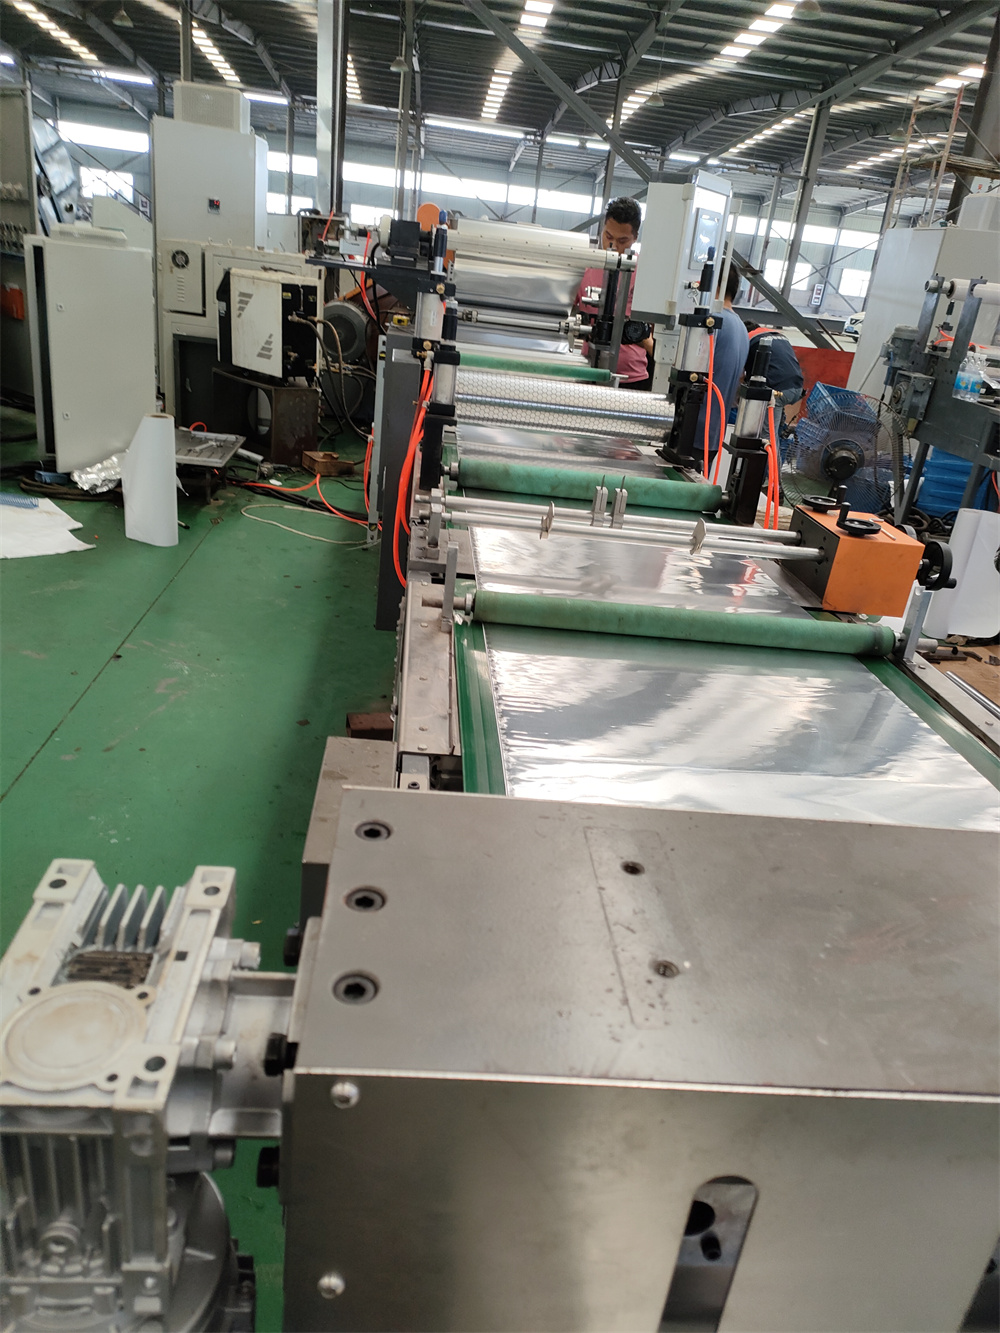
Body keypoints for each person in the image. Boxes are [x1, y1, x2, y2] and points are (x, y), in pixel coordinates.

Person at [574, 197, 653, 389]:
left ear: (635, 237)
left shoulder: (646, 274)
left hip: (631, 378)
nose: (614, 246)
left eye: (622, 240)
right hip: (588, 372)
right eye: (608, 236)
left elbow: (653, 335)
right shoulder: (585, 267)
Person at [698, 264, 750, 460]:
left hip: (695, 427)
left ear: (714, 286)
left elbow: (690, 370)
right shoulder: (741, 327)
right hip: (714, 432)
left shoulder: (712, 322)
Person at [743, 319, 805, 425]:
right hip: (797, 388)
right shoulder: (777, 336)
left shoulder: (749, 339)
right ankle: (780, 427)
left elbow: (741, 375)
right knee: (776, 422)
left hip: (777, 391)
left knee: (767, 431)